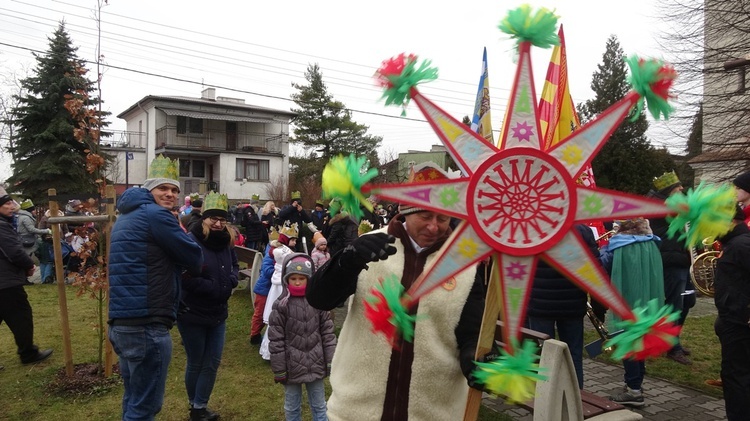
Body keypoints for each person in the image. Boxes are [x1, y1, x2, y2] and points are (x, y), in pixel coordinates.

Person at [306, 164, 486, 420]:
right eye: (425, 216)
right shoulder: (371, 246)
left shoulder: (464, 265)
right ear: (405, 210)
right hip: (357, 411)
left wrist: (472, 358)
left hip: (431, 413)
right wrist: (348, 259)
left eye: (442, 218)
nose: (434, 227)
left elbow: (471, 333)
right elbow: (319, 298)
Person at [108, 155, 204, 421]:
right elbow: (195, 259)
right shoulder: (156, 215)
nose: (170, 194)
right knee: (145, 406)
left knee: (133, 398)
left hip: (122, 321)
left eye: (174, 189)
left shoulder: (126, 216)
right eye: (163, 188)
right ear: (148, 191)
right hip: (146, 324)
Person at [178, 192, 239, 421]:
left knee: (212, 361)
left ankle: (199, 406)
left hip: (218, 312)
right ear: (204, 218)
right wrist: (212, 287)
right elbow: (184, 275)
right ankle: (195, 406)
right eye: (214, 218)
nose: (218, 223)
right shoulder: (191, 241)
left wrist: (232, 280)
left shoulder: (226, 241)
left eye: (222, 219)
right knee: (196, 360)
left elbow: (233, 265)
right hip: (193, 311)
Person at [600, 218, 665, 407]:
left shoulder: (619, 243)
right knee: (641, 339)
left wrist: (605, 248)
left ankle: (634, 391)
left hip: (627, 300)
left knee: (628, 341)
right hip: (649, 300)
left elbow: (604, 265)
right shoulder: (652, 241)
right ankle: (637, 383)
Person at [527, 224, 599, 389]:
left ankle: (544, 402)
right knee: (573, 355)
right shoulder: (582, 230)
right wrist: (598, 306)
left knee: (543, 355)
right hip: (572, 302)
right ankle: (575, 398)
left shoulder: (531, 228)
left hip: (540, 302)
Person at [269, 253, 336, 421]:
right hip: (291, 367)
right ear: (286, 280)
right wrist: (279, 368)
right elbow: (276, 339)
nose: (298, 282)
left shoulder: (318, 302)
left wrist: (330, 359)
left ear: (309, 279)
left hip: (316, 363)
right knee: (292, 407)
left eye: (302, 278)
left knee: (319, 405)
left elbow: (327, 333)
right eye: (293, 278)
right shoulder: (281, 305)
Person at [0, 188, 54, 365]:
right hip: (6, 282)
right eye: (6, 203)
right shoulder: (1, 226)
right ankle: (28, 353)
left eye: (11, 202)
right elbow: (14, 251)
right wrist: (29, 265)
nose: (11, 206)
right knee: (21, 316)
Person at [647, 171, 694, 365]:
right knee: (675, 305)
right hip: (671, 262)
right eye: (677, 188)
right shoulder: (658, 206)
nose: (682, 189)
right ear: (668, 191)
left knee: (688, 302)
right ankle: (671, 347)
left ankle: (671, 341)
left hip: (681, 261)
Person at [712, 205, 750, 421]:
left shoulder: (741, 245)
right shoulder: (735, 244)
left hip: (740, 323)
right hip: (734, 319)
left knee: (736, 377)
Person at [259, 225, 297, 361]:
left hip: (278, 285)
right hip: (281, 287)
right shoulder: (283, 252)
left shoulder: (279, 251)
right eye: (292, 239)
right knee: (280, 318)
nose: (295, 242)